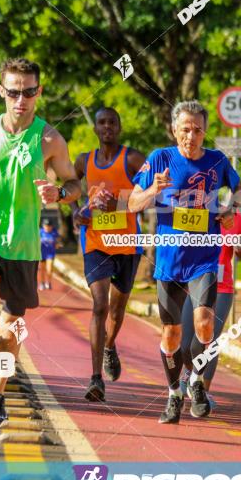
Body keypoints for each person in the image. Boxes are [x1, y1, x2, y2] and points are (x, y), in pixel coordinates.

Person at [0, 58, 81, 426]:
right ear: (2, 92)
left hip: (23, 243)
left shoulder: (50, 140)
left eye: (29, 91)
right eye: (14, 92)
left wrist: (59, 193)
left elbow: (75, 185)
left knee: (12, 327)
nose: (21, 99)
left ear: (38, 92)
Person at [129, 100, 241, 424]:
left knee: (205, 324)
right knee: (171, 335)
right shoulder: (160, 158)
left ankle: (197, 382)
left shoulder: (217, 161)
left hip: (204, 256)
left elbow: (238, 187)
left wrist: (230, 207)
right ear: (174, 130)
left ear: (204, 131)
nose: (190, 136)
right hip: (168, 261)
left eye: (197, 130)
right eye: (185, 129)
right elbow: (134, 203)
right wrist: (153, 189)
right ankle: (174, 394)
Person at [73, 107, 145, 402]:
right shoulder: (83, 161)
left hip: (128, 244)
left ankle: (109, 346)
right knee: (99, 306)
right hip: (96, 243)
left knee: (116, 310)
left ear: (120, 126)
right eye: (101, 123)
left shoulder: (134, 159)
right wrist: (75, 211)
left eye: (112, 122)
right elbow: (69, 186)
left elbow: (150, 194)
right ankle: (95, 379)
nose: (106, 127)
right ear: (95, 129)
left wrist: (118, 201)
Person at [179, 207, 241, 410]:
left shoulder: (236, 219)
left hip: (221, 288)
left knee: (210, 343)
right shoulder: (195, 212)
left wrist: (240, 247)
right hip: (194, 283)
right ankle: (190, 374)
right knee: (185, 344)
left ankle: (202, 393)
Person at [38, 219, 61, 290]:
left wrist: (57, 244)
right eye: (46, 226)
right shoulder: (40, 232)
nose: (48, 227)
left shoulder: (54, 232)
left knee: (49, 268)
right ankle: (42, 283)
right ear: (43, 226)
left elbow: (58, 241)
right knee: (42, 269)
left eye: (49, 226)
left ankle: (48, 282)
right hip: (41, 254)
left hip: (50, 254)